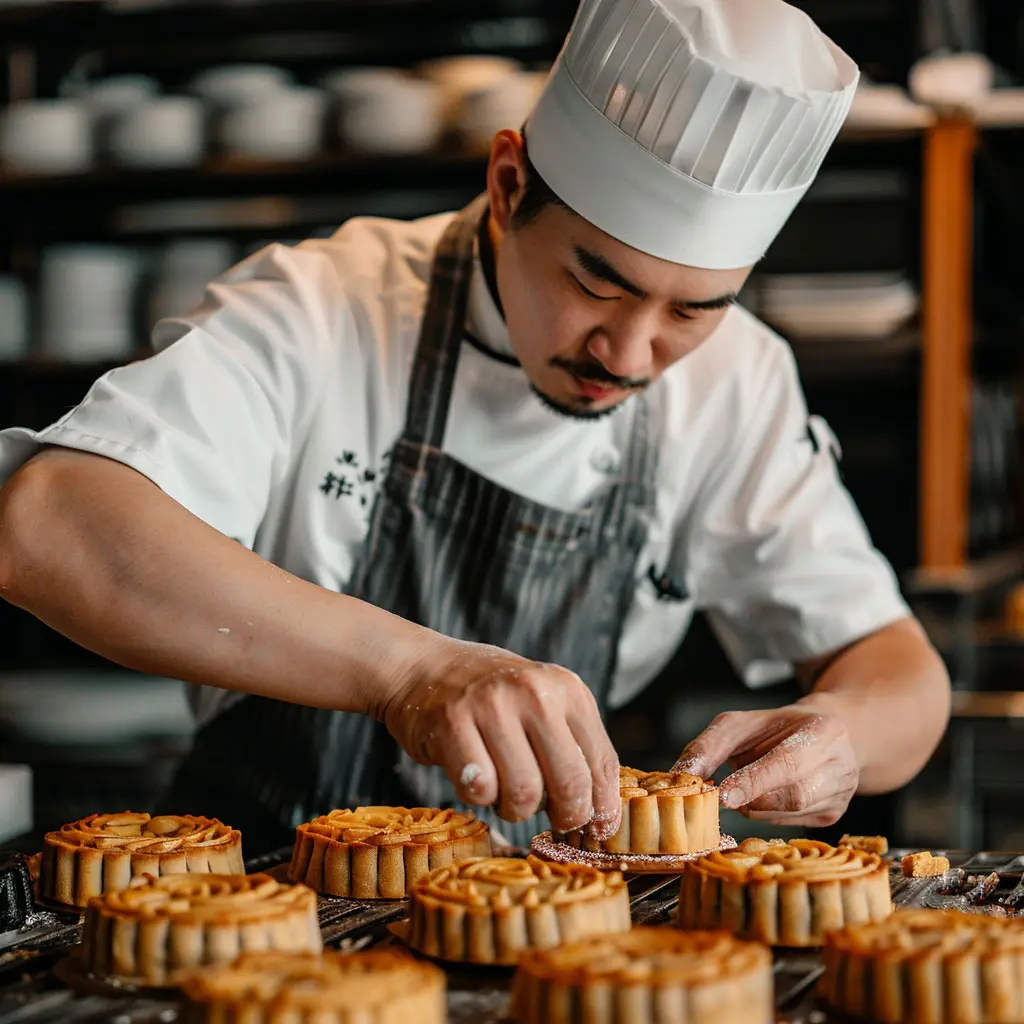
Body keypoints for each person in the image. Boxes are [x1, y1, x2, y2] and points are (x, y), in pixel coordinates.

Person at [0, 0, 950, 854]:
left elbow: (903, 674)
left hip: (545, 930)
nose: (627, 352)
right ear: (507, 186)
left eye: (692, 311)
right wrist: (411, 669)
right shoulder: (324, 307)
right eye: (595, 281)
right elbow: (46, 525)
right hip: (260, 905)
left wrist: (846, 736)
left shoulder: (737, 381)